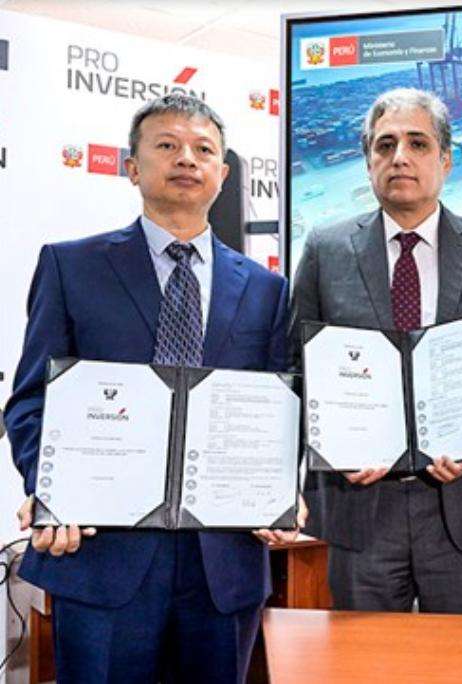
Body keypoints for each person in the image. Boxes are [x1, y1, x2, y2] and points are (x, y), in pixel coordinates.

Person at [4, 94, 301, 682]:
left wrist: (279, 489)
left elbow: (278, 410)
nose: (186, 158)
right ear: (132, 167)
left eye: (203, 149)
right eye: (167, 145)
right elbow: (33, 399)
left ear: (222, 174)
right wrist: (53, 489)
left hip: (223, 563)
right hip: (101, 556)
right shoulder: (72, 266)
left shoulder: (267, 288)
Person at [290, 87, 462, 615]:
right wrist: (332, 445)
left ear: (445, 159)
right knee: (364, 656)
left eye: (418, 143)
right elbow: (296, 369)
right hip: (359, 505)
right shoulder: (325, 250)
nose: (400, 157)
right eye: (385, 144)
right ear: (367, 160)